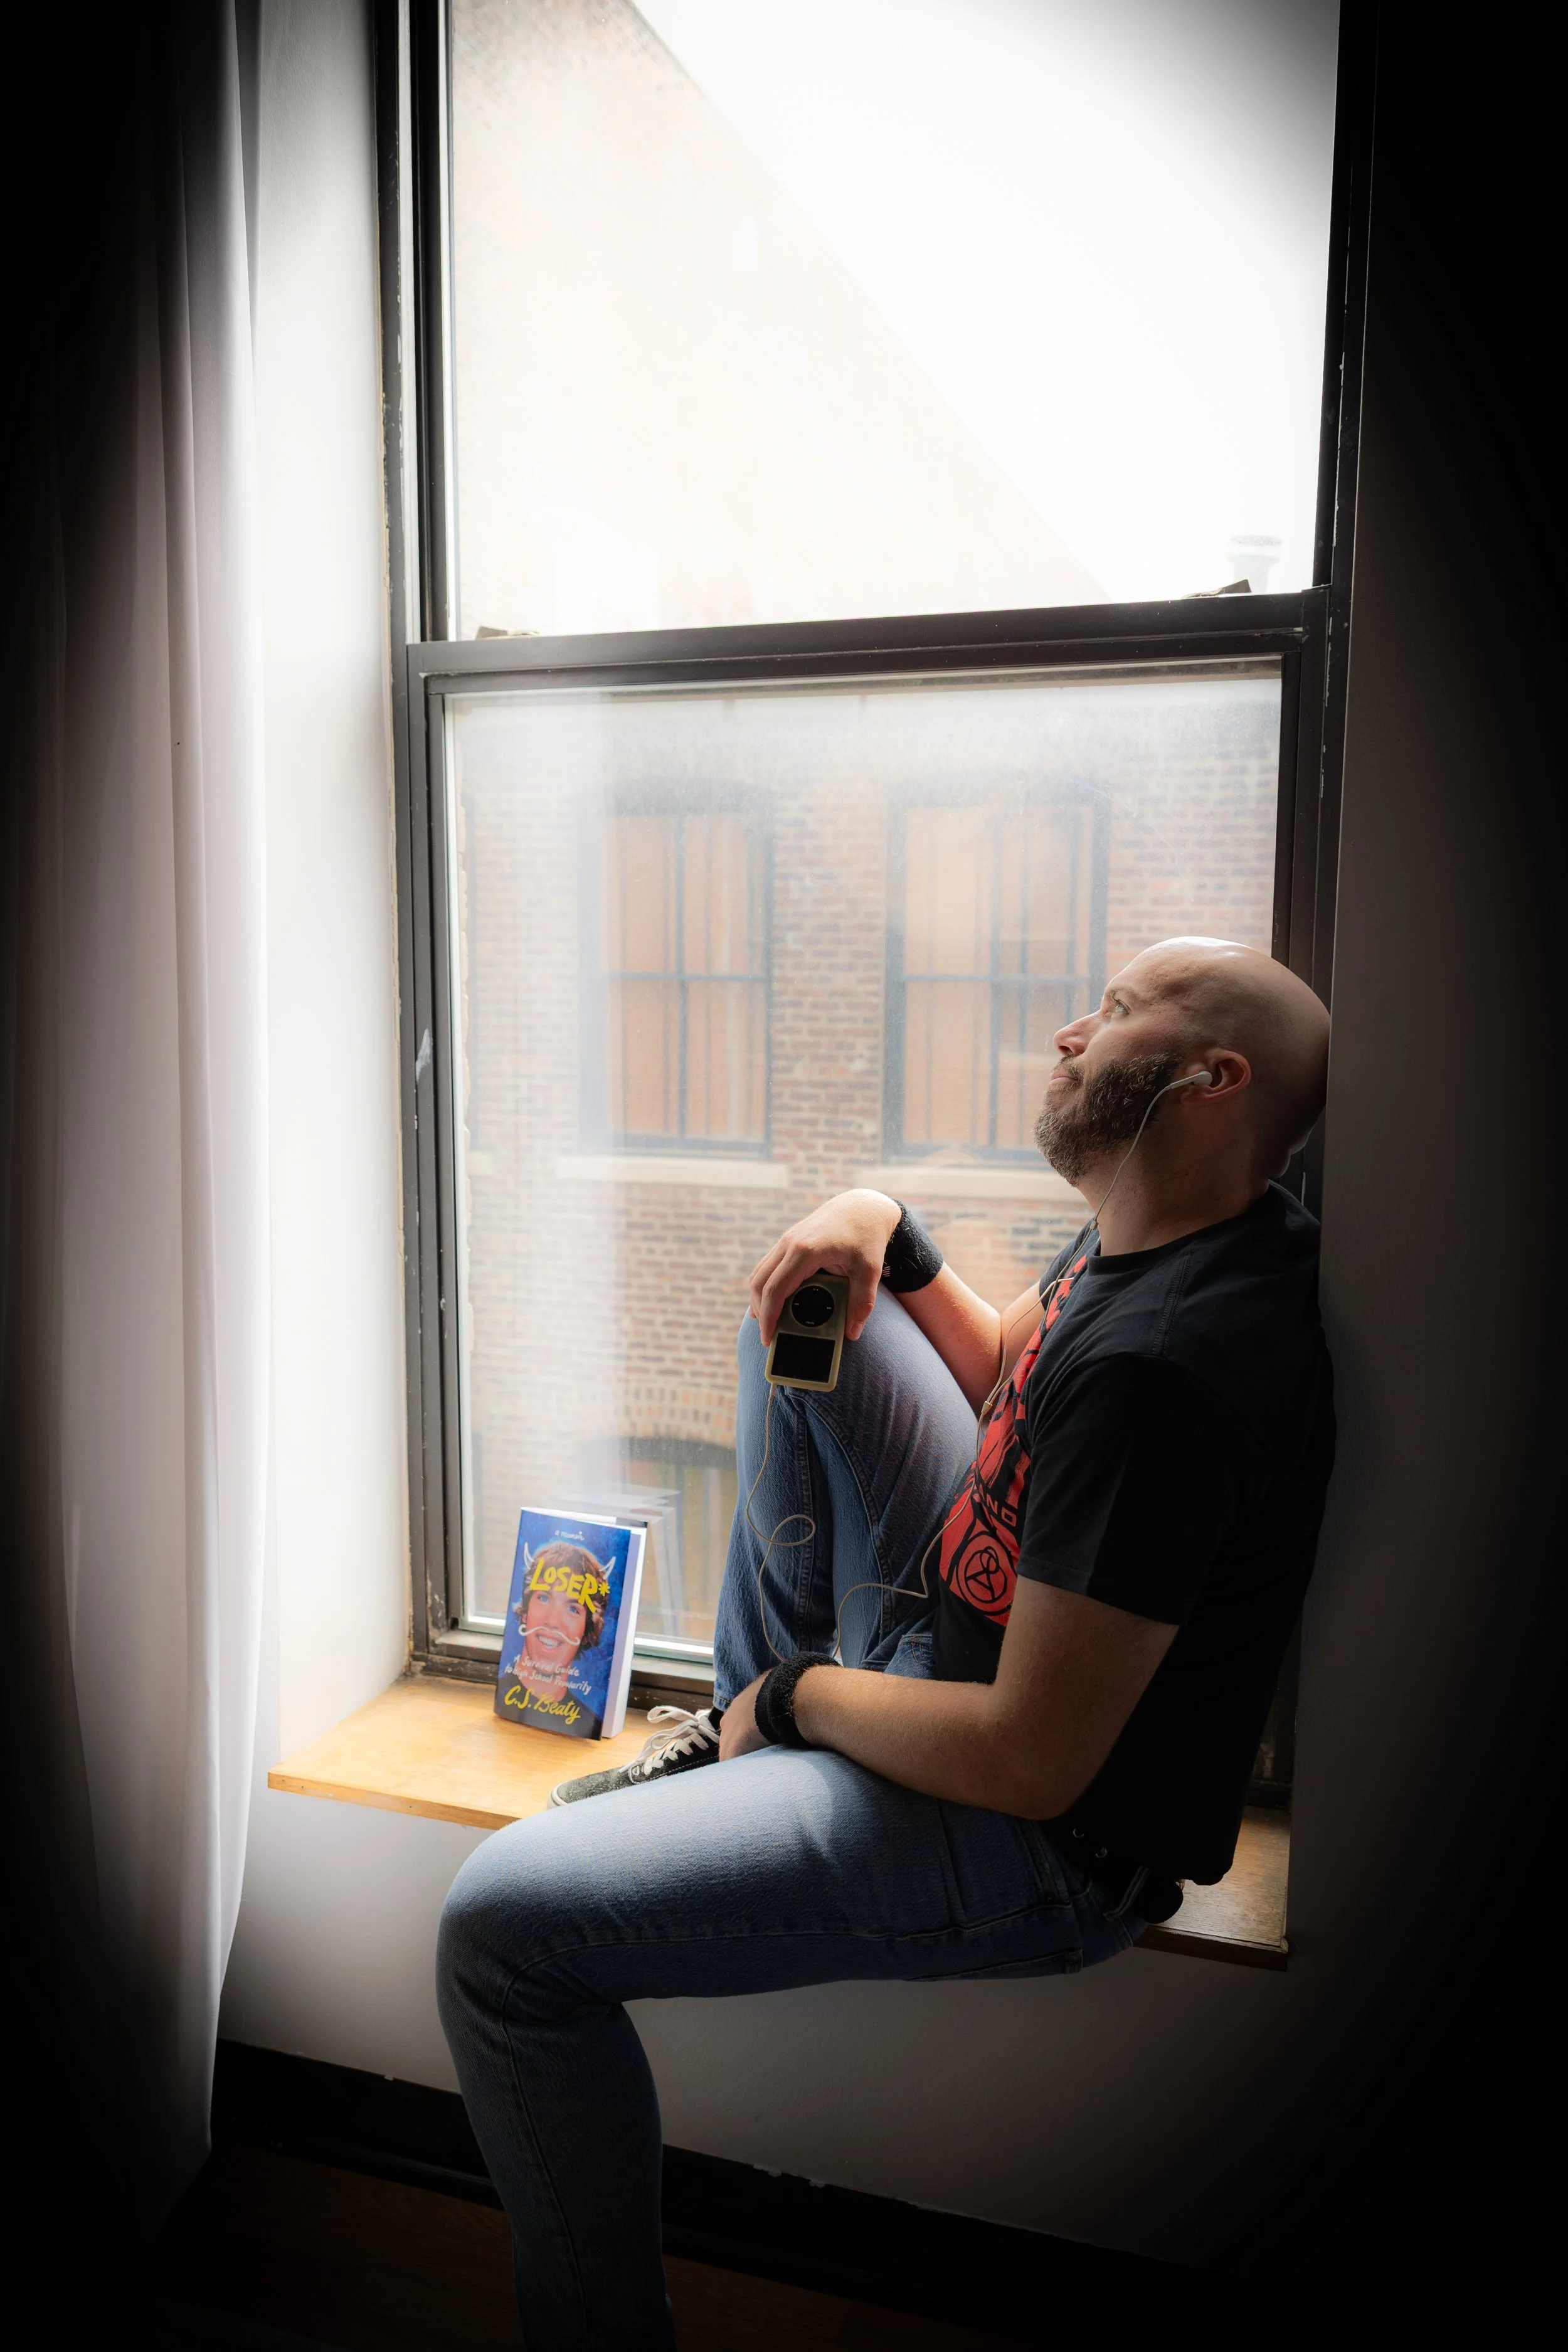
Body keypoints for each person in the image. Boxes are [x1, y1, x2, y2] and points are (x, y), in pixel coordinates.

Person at [438, 936, 1335, 2351]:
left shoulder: (1170, 1370)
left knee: (496, 1933)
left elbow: (1034, 1763)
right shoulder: (1176, 1227)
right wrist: (875, 1220)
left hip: (1034, 1839)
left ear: (1207, 1081)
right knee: (809, 1297)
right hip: (952, 1655)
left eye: (1112, 1015)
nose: (1066, 1036)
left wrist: (801, 1697)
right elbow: (1006, 1384)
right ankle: (744, 1739)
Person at [499, 1540, 610, 1737]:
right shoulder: (500, 1702)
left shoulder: (589, 1727)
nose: (552, 1622)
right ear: (525, 1612)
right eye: (544, 1598)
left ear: (586, 1632)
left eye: (572, 1609)